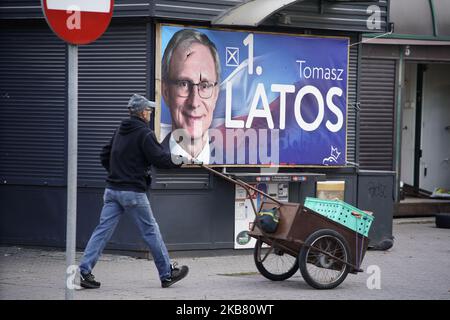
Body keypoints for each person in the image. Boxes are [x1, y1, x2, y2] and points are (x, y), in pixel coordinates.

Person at [79, 94, 189, 289]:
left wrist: (116, 172)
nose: (150, 112)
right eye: (148, 109)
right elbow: (159, 159)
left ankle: (84, 272)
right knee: (150, 231)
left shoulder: (119, 130)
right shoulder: (145, 133)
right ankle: (167, 273)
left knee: (102, 231)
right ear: (141, 112)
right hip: (133, 193)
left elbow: (104, 154)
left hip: (112, 190)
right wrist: (179, 161)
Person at [161, 29, 221, 164]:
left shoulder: (231, 161)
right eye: (183, 84)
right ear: (165, 91)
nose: (194, 102)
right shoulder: (147, 162)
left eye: (204, 86)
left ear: (216, 94)